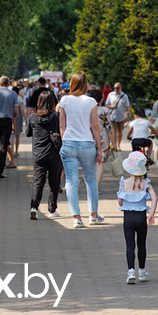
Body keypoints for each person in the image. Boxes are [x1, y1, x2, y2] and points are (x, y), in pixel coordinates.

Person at [59, 71, 103, 228]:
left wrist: (65, 140)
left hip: (69, 142)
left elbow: (62, 125)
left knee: (71, 181)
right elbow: (95, 126)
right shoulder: (90, 101)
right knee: (91, 180)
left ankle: (76, 218)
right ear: (86, 84)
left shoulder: (64, 100)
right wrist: (99, 149)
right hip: (86, 143)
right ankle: (93, 215)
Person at [118, 151, 157, 284]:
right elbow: (154, 198)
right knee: (141, 244)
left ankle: (130, 272)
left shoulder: (124, 182)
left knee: (130, 245)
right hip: (141, 218)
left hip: (128, 217)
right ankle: (141, 271)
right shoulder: (146, 183)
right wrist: (151, 213)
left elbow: (120, 201)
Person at [27, 91, 63, 220]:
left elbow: (28, 133)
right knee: (54, 182)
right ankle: (52, 210)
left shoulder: (32, 117)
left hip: (38, 154)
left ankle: (34, 207)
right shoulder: (56, 116)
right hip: (54, 154)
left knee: (38, 182)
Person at [105, 83, 131, 152]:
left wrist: (126, 115)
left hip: (121, 117)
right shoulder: (111, 95)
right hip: (112, 116)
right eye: (115, 88)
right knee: (114, 131)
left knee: (120, 131)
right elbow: (106, 105)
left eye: (117, 88)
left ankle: (118, 144)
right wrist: (111, 107)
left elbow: (127, 107)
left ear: (121, 88)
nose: (116, 89)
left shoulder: (124, 96)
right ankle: (114, 145)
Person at [12, 86, 26, 158]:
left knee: (12, 136)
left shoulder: (10, 98)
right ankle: (16, 152)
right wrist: (26, 119)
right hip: (18, 117)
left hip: (11, 117)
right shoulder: (19, 98)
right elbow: (22, 110)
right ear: (18, 92)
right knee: (17, 137)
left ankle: (11, 152)